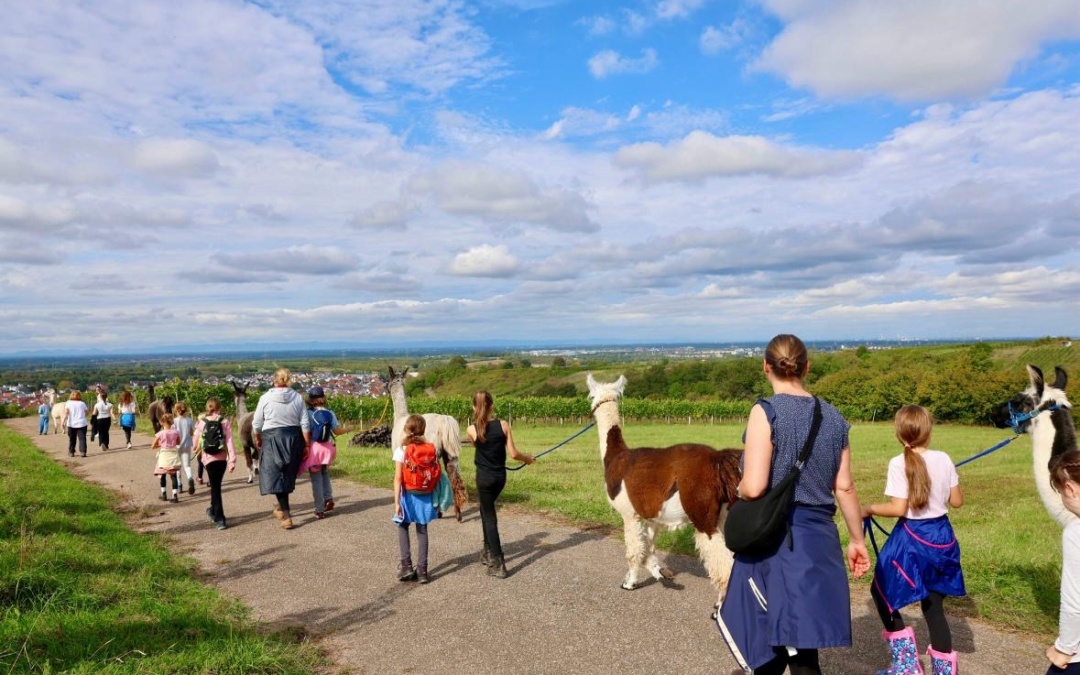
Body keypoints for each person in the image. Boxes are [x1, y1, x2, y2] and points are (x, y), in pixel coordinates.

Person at [718, 334, 870, 675]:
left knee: (767, 648)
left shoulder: (765, 411)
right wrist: (857, 541)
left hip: (777, 540)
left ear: (765, 367)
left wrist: (739, 486)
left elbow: (755, 487)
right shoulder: (834, 417)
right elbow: (844, 487)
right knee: (803, 650)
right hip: (819, 540)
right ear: (807, 367)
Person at [862, 405, 964, 675]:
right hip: (942, 537)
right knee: (933, 607)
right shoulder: (944, 458)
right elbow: (957, 501)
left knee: (881, 591)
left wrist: (869, 508)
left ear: (899, 434)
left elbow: (898, 508)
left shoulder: (898, 463)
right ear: (928, 430)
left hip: (912, 538)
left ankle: (907, 666)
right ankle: (943, 672)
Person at [466, 390, 535, 579]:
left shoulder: (471, 430)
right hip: (499, 477)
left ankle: (498, 562)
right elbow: (513, 454)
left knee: (489, 518)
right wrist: (527, 459)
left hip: (484, 478)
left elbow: (477, 446)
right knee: (484, 510)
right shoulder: (504, 425)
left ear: (474, 407)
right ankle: (487, 552)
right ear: (492, 406)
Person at [252, 368, 310, 530]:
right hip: (293, 439)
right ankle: (281, 509)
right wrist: (307, 444)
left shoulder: (265, 398)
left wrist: (258, 437)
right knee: (286, 475)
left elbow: (256, 423)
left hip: (272, 438)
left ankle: (286, 515)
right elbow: (305, 423)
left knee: (276, 476)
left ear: (274, 380)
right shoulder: (298, 398)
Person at [393, 414, 440, 583]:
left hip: (408, 494)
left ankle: (406, 566)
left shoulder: (402, 450)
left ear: (406, 429)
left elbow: (398, 478)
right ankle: (422, 571)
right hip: (425, 494)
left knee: (402, 525)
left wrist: (396, 502)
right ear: (423, 430)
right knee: (422, 530)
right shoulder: (430, 449)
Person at [1047, 450, 1080, 674]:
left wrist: (1064, 648)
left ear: (1070, 488)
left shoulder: (1075, 533)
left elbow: (1074, 600)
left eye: (1060, 491)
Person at [301, 385, 344, 519]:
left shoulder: (308, 414)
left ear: (310, 400)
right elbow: (336, 431)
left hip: (315, 449)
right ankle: (329, 498)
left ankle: (319, 509)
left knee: (316, 479)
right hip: (328, 449)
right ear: (324, 398)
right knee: (325, 473)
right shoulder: (330, 413)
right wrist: (348, 429)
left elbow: (305, 431)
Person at [194, 397, 237, 530]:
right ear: (220, 408)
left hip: (208, 459)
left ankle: (220, 518)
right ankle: (213, 510)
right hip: (222, 458)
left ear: (208, 407)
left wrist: (194, 449)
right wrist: (232, 460)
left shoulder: (201, 423)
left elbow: (195, 441)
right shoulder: (224, 422)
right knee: (216, 486)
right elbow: (229, 441)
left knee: (215, 487)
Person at [151, 412, 182, 502]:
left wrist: (160, 445)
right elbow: (178, 443)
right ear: (171, 422)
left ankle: (164, 494)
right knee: (173, 476)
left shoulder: (160, 434)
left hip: (164, 455)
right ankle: (175, 495)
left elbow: (153, 446)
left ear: (161, 422)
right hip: (173, 455)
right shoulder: (176, 432)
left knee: (163, 475)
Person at [173, 402, 196, 495]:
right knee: (187, 465)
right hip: (187, 444)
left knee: (177, 466)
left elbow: (173, 434)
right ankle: (190, 478)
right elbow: (192, 432)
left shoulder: (174, 421)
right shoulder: (190, 420)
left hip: (177, 446)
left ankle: (179, 485)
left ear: (176, 410)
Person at [61, 391, 90, 458]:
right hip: (82, 423)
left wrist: (63, 422)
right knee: (82, 438)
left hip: (71, 424)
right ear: (79, 396)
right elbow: (87, 413)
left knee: (72, 438)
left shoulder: (68, 403)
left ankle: (71, 452)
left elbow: (66, 413)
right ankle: (83, 452)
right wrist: (82, 415)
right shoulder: (82, 403)